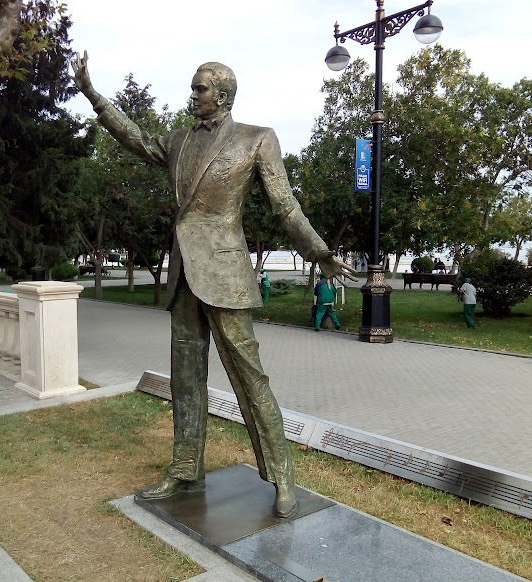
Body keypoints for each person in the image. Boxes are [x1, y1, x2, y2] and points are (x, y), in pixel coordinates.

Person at [71, 54, 356, 518]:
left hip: (225, 274)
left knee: (249, 376)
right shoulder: (178, 140)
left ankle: (283, 476)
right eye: (193, 87)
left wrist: (319, 252)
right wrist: (92, 94)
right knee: (185, 378)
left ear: (221, 96)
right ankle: (187, 470)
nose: (192, 95)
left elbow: (285, 207)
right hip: (184, 273)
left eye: (199, 88)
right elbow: (134, 137)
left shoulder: (257, 139)